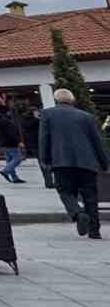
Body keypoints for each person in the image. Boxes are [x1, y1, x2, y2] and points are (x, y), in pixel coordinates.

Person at [39, 89, 110, 237]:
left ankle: (78, 213)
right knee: (90, 196)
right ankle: (94, 231)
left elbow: (44, 139)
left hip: (61, 162)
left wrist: (45, 160)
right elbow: (97, 142)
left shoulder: (47, 114)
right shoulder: (87, 116)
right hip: (87, 163)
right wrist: (104, 163)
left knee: (65, 191)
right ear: (72, 100)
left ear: (56, 100)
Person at [18, 102, 50, 188]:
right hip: (35, 144)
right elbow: (29, 126)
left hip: (37, 144)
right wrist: (37, 118)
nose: (38, 112)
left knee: (44, 162)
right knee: (43, 162)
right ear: (32, 112)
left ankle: (49, 181)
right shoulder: (30, 120)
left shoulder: (35, 120)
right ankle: (49, 182)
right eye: (37, 111)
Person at [0, 100, 25, 183]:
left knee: (9, 160)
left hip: (2, 142)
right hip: (10, 142)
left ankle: (14, 178)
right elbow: (11, 131)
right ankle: (5, 171)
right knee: (18, 158)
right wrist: (19, 141)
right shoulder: (5, 118)